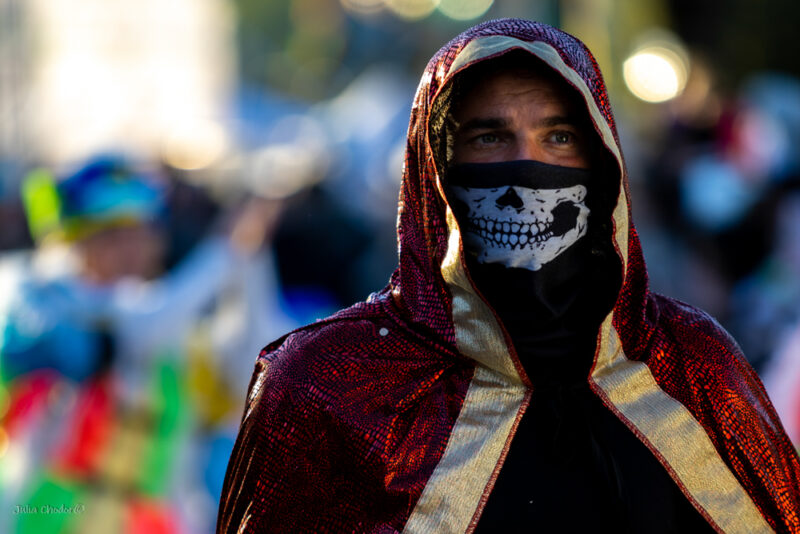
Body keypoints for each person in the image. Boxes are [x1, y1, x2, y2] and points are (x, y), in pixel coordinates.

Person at [217, 19, 800, 533]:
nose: (526, 173)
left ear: (604, 163)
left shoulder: (690, 363)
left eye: (560, 137)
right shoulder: (328, 387)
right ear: (436, 166)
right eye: (489, 137)